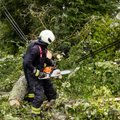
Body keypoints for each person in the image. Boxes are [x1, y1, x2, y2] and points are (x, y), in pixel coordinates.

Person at [23, 30, 57, 117]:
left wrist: (52, 65)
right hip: (32, 73)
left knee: (49, 88)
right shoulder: (35, 49)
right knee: (39, 95)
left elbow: (45, 58)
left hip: (41, 71)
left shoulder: (43, 47)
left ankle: (53, 103)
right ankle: (35, 114)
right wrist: (36, 72)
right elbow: (27, 62)